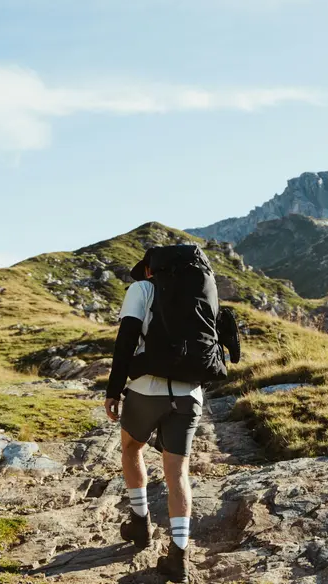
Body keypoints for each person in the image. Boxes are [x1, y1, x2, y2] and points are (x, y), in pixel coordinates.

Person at [104, 246, 223, 583]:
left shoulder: (141, 289)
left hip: (145, 389)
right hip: (190, 394)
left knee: (131, 448)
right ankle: (179, 558)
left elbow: (126, 339)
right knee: (177, 472)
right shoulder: (202, 291)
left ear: (151, 270)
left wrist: (114, 390)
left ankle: (140, 524)